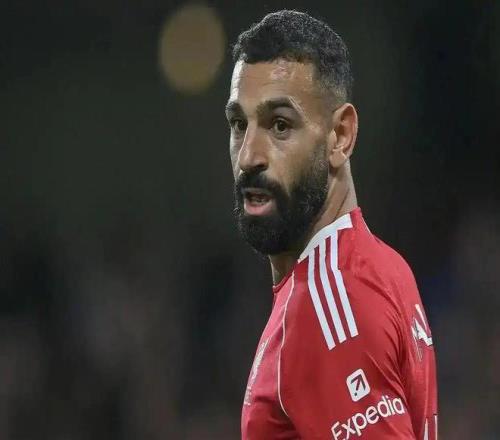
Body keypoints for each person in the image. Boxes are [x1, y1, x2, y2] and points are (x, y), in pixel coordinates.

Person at [226, 10, 437, 440]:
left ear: (340, 136)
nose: (248, 156)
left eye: (279, 125)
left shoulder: (326, 303)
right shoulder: (381, 267)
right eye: (239, 124)